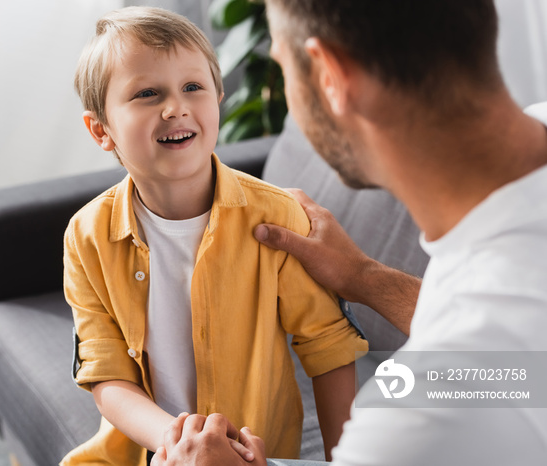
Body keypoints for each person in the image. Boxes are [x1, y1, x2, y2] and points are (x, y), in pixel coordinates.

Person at [152, 0, 547, 465]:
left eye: (282, 64)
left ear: (330, 75)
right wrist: (363, 277)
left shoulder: (415, 422)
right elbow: (524, 367)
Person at [61, 6, 368, 465]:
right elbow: (107, 379)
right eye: (147, 93)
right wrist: (183, 445)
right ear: (101, 130)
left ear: (218, 97)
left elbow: (328, 348)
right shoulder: (86, 236)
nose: (175, 107)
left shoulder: (277, 218)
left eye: (192, 87)